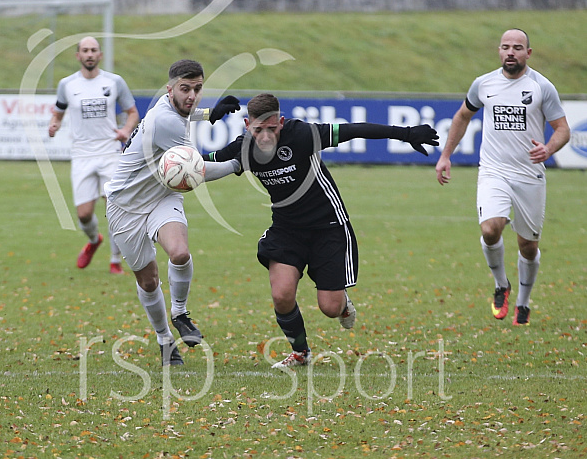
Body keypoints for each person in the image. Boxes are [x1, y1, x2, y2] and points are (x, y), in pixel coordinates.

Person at [204, 93, 439, 368]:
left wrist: (406, 133)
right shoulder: (242, 148)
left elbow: (353, 130)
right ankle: (301, 353)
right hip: (286, 229)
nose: (266, 136)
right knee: (281, 294)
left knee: (330, 308)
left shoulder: (302, 135)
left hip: (327, 226)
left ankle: (343, 303)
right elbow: (197, 162)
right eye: (258, 130)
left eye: (272, 128)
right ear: (247, 125)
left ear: (281, 122)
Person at [104, 59, 241, 366]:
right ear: (170, 89)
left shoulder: (169, 107)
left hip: (162, 197)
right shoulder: (164, 121)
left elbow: (185, 112)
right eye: (185, 88)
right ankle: (164, 339)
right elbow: (196, 169)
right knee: (149, 281)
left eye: (198, 88)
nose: (192, 95)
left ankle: (179, 312)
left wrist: (209, 114)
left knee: (179, 253)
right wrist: (238, 163)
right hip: (124, 207)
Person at [435, 28, 570, 326]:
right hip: (493, 171)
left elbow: (563, 129)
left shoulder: (541, 87)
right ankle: (501, 285)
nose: (511, 52)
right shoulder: (484, 84)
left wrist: (548, 148)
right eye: (506, 47)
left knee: (528, 246)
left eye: (518, 48)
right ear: (499, 51)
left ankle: (523, 302)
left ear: (528, 53)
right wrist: (445, 156)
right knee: (490, 229)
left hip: (529, 176)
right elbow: (462, 116)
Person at [48, 36, 140, 274]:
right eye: (85, 50)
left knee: (114, 208)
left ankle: (115, 260)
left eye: (93, 50)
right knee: (84, 214)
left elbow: (132, 113)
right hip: (81, 155)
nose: (89, 54)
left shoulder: (114, 81)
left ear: (100, 55)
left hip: (109, 152)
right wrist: (54, 125)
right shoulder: (67, 85)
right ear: (78, 56)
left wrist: (125, 131)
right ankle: (93, 240)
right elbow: (57, 113)